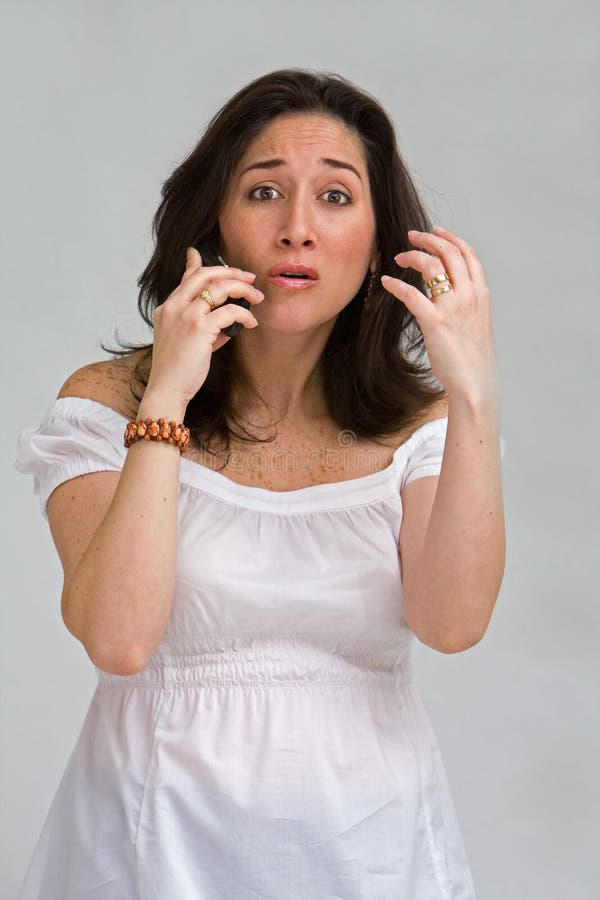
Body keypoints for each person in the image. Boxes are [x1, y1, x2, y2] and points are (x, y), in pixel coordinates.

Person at [14, 67, 507, 899]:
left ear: (383, 237)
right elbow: (118, 639)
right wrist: (167, 395)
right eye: (265, 192)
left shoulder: (421, 426)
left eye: (337, 198)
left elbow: (452, 622)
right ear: (213, 221)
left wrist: (474, 395)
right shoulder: (106, 403)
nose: (298, 231)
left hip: (374, 855)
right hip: (148, 847)